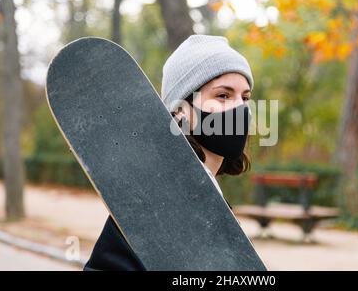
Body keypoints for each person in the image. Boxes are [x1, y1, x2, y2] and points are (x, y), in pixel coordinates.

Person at [84, 34, 254, 271]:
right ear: (179, 112)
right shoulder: (154, 200)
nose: (239, 108)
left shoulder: (210, 194)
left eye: (245, 98)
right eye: (223, 95)